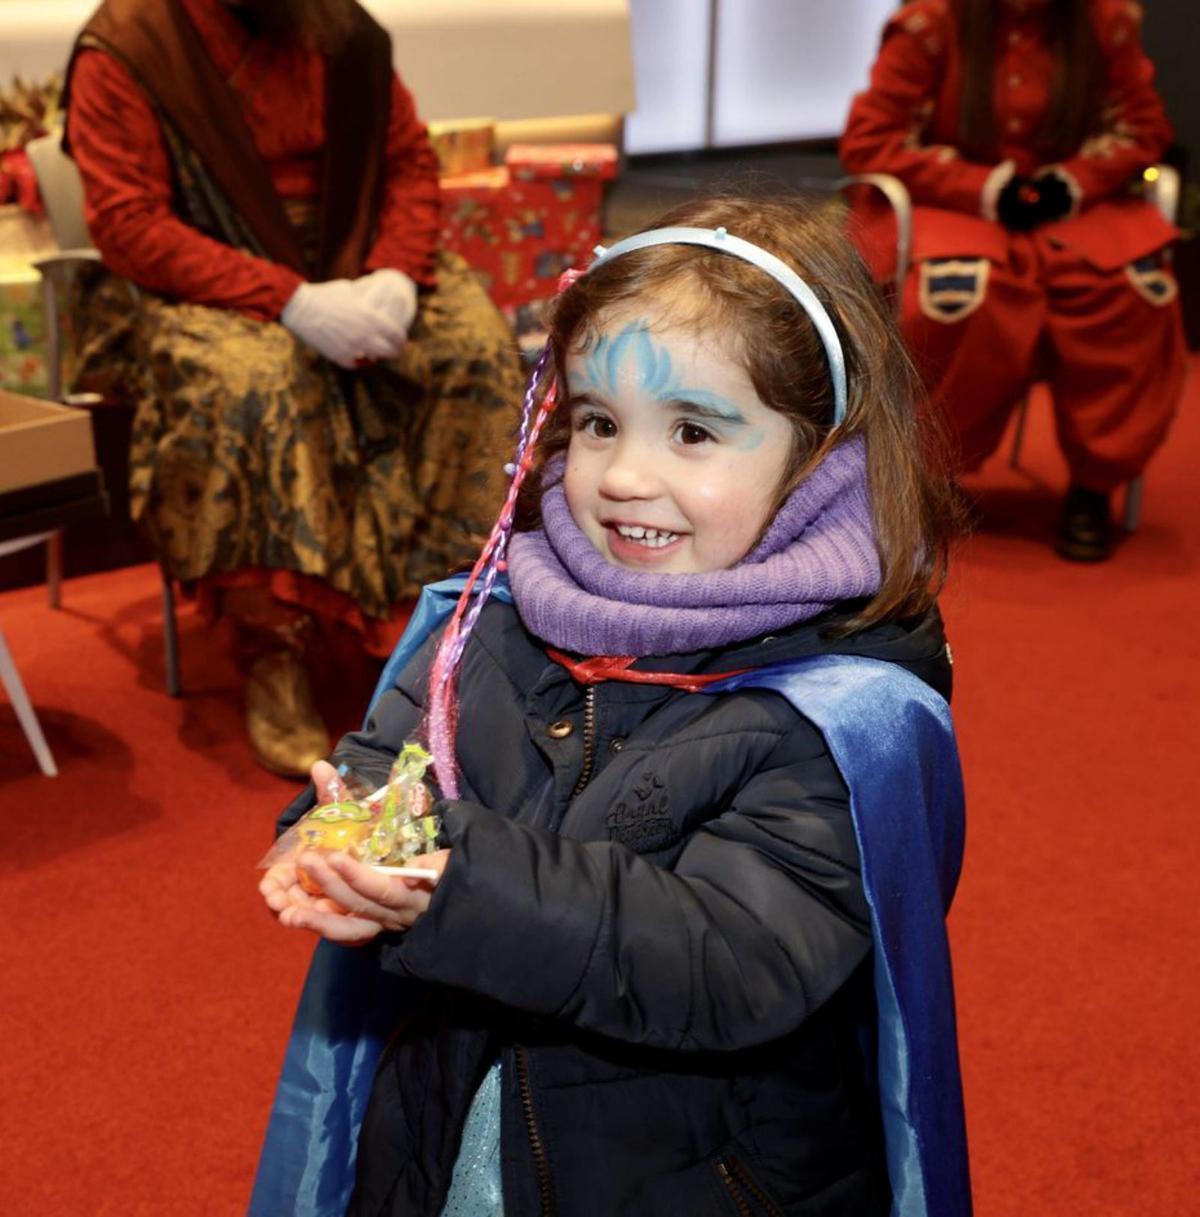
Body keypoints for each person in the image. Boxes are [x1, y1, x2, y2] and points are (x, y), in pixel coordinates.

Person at [253, 195, 973, 1217]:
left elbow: (728, 954)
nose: (625, 474)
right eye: (597, 421)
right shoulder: (494, 623)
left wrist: (450, 877)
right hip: (452, 1136)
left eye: (692, 429)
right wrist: (329, 836)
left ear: (819, 457)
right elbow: (385, 760)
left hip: (693, 1176)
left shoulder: (843, 714)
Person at [61, 0, 524, 776]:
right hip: (204, 269)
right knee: (256, 381)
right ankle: (272, 649)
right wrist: (289, 299)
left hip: (353, 249)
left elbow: (409, 162)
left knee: (474, 350)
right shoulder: (128, 45)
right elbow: (131, 224)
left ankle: (456, 625)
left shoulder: (339, 25)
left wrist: (396, 276)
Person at [841, 0, 1186, 562]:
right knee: (965, 298)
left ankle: (1094, 485)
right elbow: (871, 140)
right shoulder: (931, 24)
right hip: (953, 204)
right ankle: (932, 476)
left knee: (1129, 295)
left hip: (1072, 207)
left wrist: (1075, 181)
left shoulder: (1106, 21)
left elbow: (1144, 127)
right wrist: (980, 187)